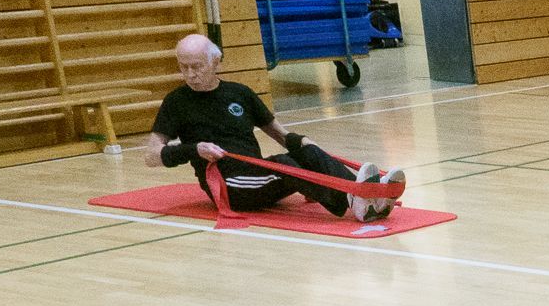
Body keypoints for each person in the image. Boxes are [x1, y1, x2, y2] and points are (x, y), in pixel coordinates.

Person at [142, 35, 402, 223]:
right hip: (230, 184)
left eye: (197, 66)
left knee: (304, 150)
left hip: (256, 173)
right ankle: (351, 201)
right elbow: (152, 156)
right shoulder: (176, 101)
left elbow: (280, 133)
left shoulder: (240, 93)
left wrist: (304, 144)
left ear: (216, 61)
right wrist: (194, 149)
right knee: (286, 164)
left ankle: (368, 196)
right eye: (183, 67)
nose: (190, 74)